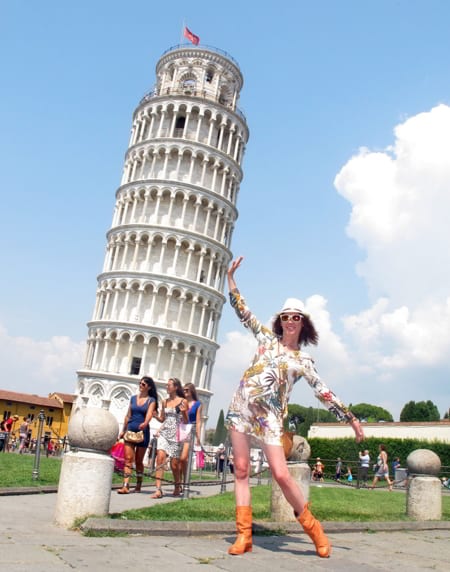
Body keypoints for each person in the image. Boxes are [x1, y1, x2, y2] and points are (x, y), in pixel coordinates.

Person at [225, 256, 364, 557]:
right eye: (286, 316)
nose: (290, 321)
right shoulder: (265, 338)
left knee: (281, 473)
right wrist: (231, 280)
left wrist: (351, 419)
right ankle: (243, 535)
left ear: (303, 324)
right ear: (280, 321)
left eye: (295, 317)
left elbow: (323, 391)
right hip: (242, 409)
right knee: (241, 470)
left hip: (270, 418)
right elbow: (243, 312)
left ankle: (315, 531)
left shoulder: (303, 361)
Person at [117, 376, 158, 494]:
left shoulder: (151, 400)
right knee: (128, 459)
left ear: (149, 387)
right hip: (130, 429)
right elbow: (128, 415)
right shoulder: (133, 398)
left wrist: (145, 423)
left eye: (143, 384)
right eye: (140, 383)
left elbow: (149, 414)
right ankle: (125, 485)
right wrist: (123, 430)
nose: (140, 385)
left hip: (142, 432)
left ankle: (139, 484)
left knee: (139, 461)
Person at [152, 377, 188, 498]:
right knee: (160, 458)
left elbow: (186, 421)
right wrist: (156, 416)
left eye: (169, 385)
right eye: (167, 385)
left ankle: (177, 485)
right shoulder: (164, 402)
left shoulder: (183, 401)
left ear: (176, 387)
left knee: (174, 464)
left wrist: (183, 413)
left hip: (176, 435)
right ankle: (158, 489)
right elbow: (163, 419)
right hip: (165, 433)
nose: (167, 387)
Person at [179, 382, 203, 489]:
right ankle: (178, 483)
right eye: (184, 390)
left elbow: (198, 421)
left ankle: (185, 480)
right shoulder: (181, 402)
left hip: (190, 430)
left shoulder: (197, 404)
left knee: (184, 458)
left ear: (192, 391)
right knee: (177, 459)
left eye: (187, 390)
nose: (185, 392)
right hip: (180, 429)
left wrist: (198, 436)